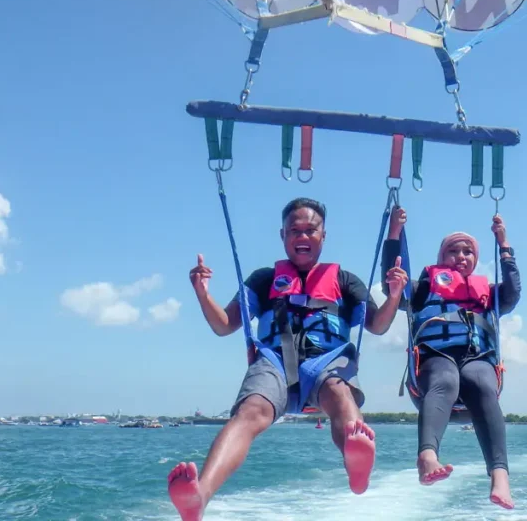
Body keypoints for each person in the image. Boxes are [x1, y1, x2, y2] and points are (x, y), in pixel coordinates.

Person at [168, 197, 407, 521]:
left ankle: (357, 468)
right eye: (295, 230)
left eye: (311, 230)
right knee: (250, 411)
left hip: (329, 360)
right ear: (282, 236)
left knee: (340, 395)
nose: (303, 236)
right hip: (274, 360)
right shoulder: (264, 279)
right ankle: (200, 496)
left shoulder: (345, 280)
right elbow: (225, 325)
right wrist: (202, 293)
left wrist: (393, 296)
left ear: (323, 236)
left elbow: (378, 326)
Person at [381, 206, 521, 510]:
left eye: (468, 251)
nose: (461, 256)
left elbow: (513, 292)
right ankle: (427, 455)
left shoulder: (489, 294)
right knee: (446, 377)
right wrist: (394, 234)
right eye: (453, 251)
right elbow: (390, 284)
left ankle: (500, 476)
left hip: (477, 358)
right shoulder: (422, 289)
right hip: (435, 360)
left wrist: (504, 245)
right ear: (440, 258)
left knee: (482, 383)